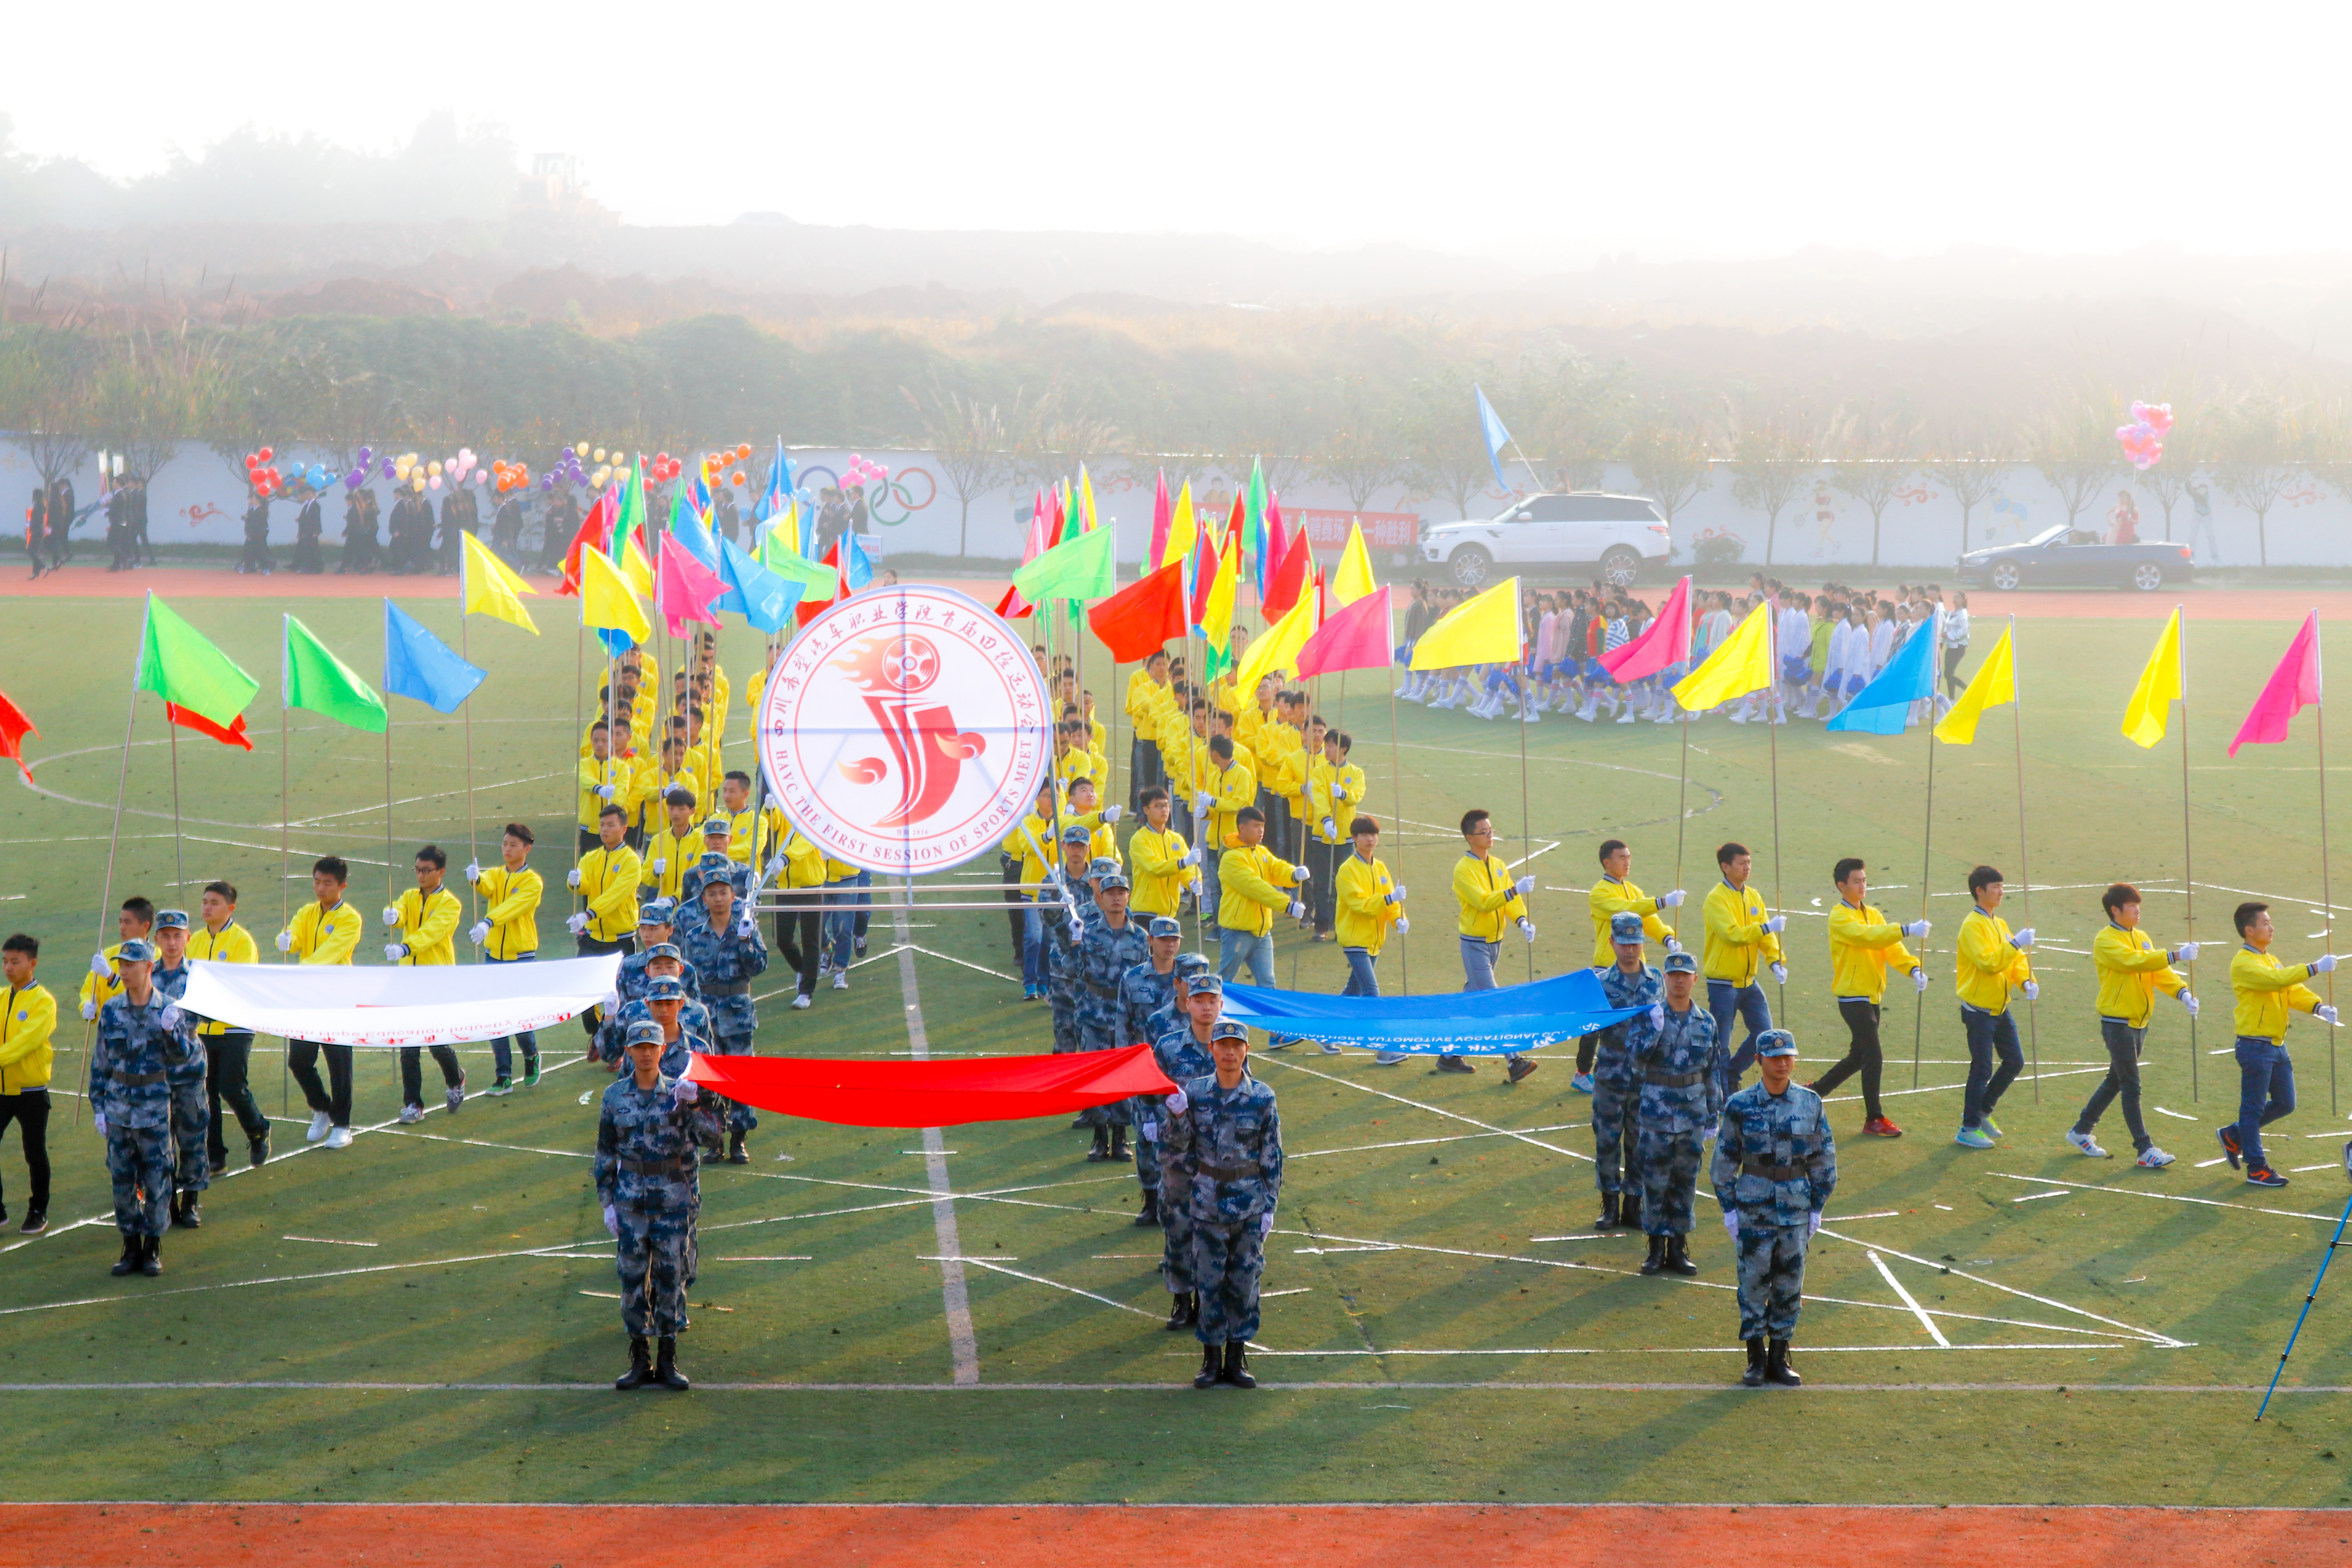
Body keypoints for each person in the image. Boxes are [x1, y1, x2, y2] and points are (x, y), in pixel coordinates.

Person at [595, 1018, 722, 1391]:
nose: (647, 1053)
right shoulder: (615, 1096)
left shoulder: (681, 1092)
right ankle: (639, 1356)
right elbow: (605, 1151)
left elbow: (713, 1138)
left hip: (672, 1200)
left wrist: (696, 1104)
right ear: (630, 1052)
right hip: (631, 1200)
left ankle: (668, 1355)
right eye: (640, 1047)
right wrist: (607, 1202)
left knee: (671, 1277)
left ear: (662, 1050)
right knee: (632, 1279)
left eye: (653, 1047)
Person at [1159, 1015, 1283, 1390]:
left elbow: (1273, 1154)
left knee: (1245, 1282)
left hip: (1248, 1203)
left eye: (1237, 1046)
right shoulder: (1195, 1093)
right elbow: (1177, 1147)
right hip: (1208, 1200)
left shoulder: (1262, 1096)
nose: (1230, 1052)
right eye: (1223, 1045)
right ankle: (1211, 1362)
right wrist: (1178, 1115)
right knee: (1210, 1282)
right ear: (1212, 1050)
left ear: (1246, 1052)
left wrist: (1270, 1206)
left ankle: (1237, 1357)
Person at [1712, 1028, 1837, 1388]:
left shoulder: (1810, 1103)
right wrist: (1729, 1208)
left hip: (1796, 1208)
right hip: (1754, 1206)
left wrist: (1817, 1206)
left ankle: (1780, 1357)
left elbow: (1823, 1158)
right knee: (1753, 1282)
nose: (1783, 1063)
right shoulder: (1739, 1105)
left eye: (1788, 1057)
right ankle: (1756, 1359)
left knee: (1789, 1284)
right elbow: (1725, 1160)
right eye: (1775, 1057)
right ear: (1759, 1061)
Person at [91, 938, 198, 1277]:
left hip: (153, 1108)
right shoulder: (111, 1010)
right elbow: (101, 1062)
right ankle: (130, 1246)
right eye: (121, 965)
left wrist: (173, 1031)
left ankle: (152, 1248)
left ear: (148, 967)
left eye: (131, 965)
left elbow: (183, 1056)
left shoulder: (167, 1008)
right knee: (122, 1182)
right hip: (119, 1108)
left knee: (156, 1181)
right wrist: (99, 1107)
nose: (123, 971)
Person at [2066, 883, 2192, 1167]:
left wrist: (2182, 993)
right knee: (2131, 1085)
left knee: (2116, 1081)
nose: (2138, 912)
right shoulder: (2106, 941)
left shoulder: (2142, 936)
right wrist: (2176, 955)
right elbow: (2133, 962)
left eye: (2139, 907)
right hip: (2118, 1023)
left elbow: (2156, 970)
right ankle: (2144, 1150)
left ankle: (2081, 1130)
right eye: (2133, 907)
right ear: (2115, 910)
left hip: (2138, 1023)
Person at [2222, 901, 2338, 1189]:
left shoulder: (2269, 958)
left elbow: (2290, 989)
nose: (2271, 928)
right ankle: (2257, 1169)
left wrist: (2317, 1007)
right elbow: (2276, 981)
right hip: (2254, 1047)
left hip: (2275, 1046)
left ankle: (2233, 1135)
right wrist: (2314, 968)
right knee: (2253, 1110)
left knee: (2286, 1104)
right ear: (2249, 930)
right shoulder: (2244, 963)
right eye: (2265, 923)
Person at [1813, 857, 1928, 1138]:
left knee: (1858, 1056)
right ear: (1842, 886)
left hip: (1872, 995)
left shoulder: (1874, 913)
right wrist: (1906, 928)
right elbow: (1868, 938)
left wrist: (1913, 968)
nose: (1863, 885)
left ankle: (1816, 1091)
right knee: (1873, 1055)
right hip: (1853, 997)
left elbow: (1890, 947)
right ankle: (1874, 1118)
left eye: (1864, 880)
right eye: (1857, 881)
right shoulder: (1839, 917)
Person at [1628, 949, 1724, 1277]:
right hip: (1657, 1112)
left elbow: (1713, 1070)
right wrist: (1652, 1033)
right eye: (1673, 975)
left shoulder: (1706, 1021)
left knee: (1685, 1182)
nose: (1679, 981)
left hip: (1692, 1115)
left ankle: (1678, 1249)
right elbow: (1635, 1062)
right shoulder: (1649, 1017)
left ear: (1695, 980)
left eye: (1686, 976)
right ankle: (1655, 1250)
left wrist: (1714, 1114)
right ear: (1665, 979)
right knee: (1655, 1182)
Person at [675, 872, 768, 1165]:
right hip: (707, 1017)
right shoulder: (694, 936)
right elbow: (688, 978)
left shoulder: (746, 929)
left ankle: (739, 1140)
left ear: (733, 897)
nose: (718, 899)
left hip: (738, 1013)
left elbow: (759, 966)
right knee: (710, 1081)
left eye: (723, 893)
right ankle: (714, 1140)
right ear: (704, 899)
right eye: (712, 894)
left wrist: (746, 942)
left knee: (741, 1078)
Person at [1145, 966, 1219, 1325]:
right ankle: (1181, 1298)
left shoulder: (1231, 1045)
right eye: (1199, 1001)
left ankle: (1206, 1299)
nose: (1206, 1008)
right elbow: (1151, 1090)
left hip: (1217, 1155)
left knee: (1212, 1230)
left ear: (1221, 1006)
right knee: (1177, 1225)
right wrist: (1155, 1118)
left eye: (1213, 1002)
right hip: (1177, 1153)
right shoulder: (1169, 1046)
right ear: (1187, 1004)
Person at [1583, 839, 1684, 1091]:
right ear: (1607, 863)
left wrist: (1667, 938)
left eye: (1629, 857)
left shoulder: (1633, 890)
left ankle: (1641, 1069)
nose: (1628, 862)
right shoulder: (1600, 893)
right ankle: (1583, 1072)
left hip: (1637, 970)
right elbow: (1627, 912)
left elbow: (1647, 919)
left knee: (1644, 1021)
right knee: (1596, 1025)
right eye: (1622, 858)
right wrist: (1661, 901)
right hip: (1607, 967)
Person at [1448, 809, 1538, 1081]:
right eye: (1484, 832)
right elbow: (1485, 902)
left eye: (1491, 831)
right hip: (1475, 943)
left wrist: (1522, 920)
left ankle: (1449, 1054)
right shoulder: (1463, 870)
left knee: (1470, 1000)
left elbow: (1510, 900)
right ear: (1469, 837)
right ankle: (1514, 1061)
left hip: (1495, 942)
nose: (1490, 836)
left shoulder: (1497, 864)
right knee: (1494, 1001)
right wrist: (1514, 890)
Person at [1949, 864, 2034, 1149]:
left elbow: (2015, 963)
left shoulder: (1999, 923)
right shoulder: (1973, 925)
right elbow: (1989, 962)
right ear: (1979, 891)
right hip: (1979, 1010)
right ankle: (1968, 1128)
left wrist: (2026, 981)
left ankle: (1982, 1112)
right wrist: (2015, 943)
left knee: (2015, 1061)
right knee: (1982, 1068)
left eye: (2002, 886)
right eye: (1995, 887)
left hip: (2000, 1007)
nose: (2001, 892)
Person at [279, 857, 363, 1147]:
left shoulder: (350, 919)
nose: (320, 888)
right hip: (307, 998)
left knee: (339, 1062)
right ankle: (322, 1107)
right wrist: (287, 940)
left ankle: (343, 1124)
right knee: (299, 1060)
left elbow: (332, 951)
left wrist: (301, 970)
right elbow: (298, 939)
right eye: (317, 881)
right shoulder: (306, 912)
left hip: (337, 997)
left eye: (327, 883)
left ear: (342, 886)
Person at [1589, 911, 1662, 1230]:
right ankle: (1609, 1205)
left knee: (1638, 1141)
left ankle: (1633, 1204)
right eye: (1624, 943)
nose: (1630, 949)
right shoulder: (1601, 984)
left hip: (1644, 1076)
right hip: (1611, 1073)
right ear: (1612, 943)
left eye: (1635, 942)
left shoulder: (1657, 979)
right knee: (1607, 1139)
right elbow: (1590, 1028)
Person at [384, 845, 468, 1122]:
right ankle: (413, 1104)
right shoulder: (409, 896)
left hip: (436, 981)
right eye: (417, 870)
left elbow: (432, 933)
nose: (420, 875)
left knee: (437, 1044)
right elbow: (401, 911)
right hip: (408, 981)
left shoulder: (450, 904)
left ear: (441, 872)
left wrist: (406, 947)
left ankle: (456, 1080)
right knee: (409, 1046)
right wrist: (394, 914)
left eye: (426, 870)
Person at [190, 882, 268, 1172]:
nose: (207, 907)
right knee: (206, 1092)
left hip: (236, 1025)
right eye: (205, 902)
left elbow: (237, 982)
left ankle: (258, 1130)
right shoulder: (194, 941)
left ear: (230, 908)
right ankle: (216, 1155)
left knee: (232, 1087)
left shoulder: (242, 941)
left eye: (214, 903)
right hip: (204, 1029)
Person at [1078, 869, 1151, 1162]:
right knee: (1096, 1077)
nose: (1117, 898)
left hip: (1126, 1018)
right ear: (1102, 898)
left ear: (1128, 897)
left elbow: (1145, 977)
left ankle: (1120, 1138)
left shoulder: (1141, 937)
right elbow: (1072, 969)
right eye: (1111, 893)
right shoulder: (1087, 932)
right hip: (1095, 1013)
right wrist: (1065, 941)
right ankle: (1099, 1138)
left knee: (1123, 1077)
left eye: (1121, 893)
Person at [1702, 842, 1784, 1095]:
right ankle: (1722, 1093)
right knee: (1722, 1044)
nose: (1748, 867)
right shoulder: (1716, 899)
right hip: (1723, 983)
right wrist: (1766, 928)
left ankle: (1732, 1073)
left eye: (1749, 862)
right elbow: (1732, 935)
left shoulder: (1753, 895)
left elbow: (1764, 935)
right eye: (1742, 863)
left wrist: (1776, 960)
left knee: (1764, 1034)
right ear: (1726, 867)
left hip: (1749, 982)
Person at [466, 823, 544, 1090]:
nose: (507, 850)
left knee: (520, 1017)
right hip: (494, 956)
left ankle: (532, 1056)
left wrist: (488, 921)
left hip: (520, 956)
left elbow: (512, 907)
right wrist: (476, 878)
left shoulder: (533, 882)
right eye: (504, 844)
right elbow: (488, 886)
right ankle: (503, 1075)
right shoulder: (499, 874)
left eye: (513, 845)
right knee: (496, 1018)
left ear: (527, 849)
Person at [1118, 915, 1185, 1224]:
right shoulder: (1133, 979)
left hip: (1181, 1072)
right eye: (1163, 939)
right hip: (1145, 1071)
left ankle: (1178, 1203)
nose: (1169, 945)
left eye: (1174, 940)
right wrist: (1124, 1067)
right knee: (1146, 1138)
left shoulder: (1189, 981)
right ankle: (1150, 1200)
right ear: (1151, 942)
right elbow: (1123, 1023)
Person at [146, 910, 210, 1227]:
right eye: (166, 936)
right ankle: (167, 1199)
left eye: (178, 936)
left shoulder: (198, 976)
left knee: (193, 1134)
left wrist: (178, 1021)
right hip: (158, 1068)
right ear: (157, 939)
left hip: (188, 1066)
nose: (172, 942)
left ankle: (191, 1201)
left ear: (188, 938)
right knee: (160, 1139)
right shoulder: (148, 975)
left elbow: (209, 1013)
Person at [1332, 815, 1406, 1063]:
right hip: (1355, 939)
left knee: (1353, 991)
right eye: (1364, 835)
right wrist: (1389, 899)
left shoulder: (1381, 867)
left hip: (1375, 940)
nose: (1370, 839)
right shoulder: (1347, 871)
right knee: (1371, 992)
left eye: (1374, 834)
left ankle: (1325, 1030)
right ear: (1354, 839)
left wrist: (1398, 919)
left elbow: (1390, 901)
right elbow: (1360, 905)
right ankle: (1384, 1049)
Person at [1216, 806, 1307, 994]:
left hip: (1262, 933)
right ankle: (1213, 1021)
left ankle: (1269, 1024)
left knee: (1268, 985)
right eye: (1256, 826)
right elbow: (1255, 888)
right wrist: (1287, 906)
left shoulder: (1261, 852)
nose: (1261, 831)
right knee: (1224, 984)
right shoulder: (1231, 859)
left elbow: (1276, 868)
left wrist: (1293, 874)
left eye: (1263, 826)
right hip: (1238, 933)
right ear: (1242, 828)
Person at [0, 933, 57, 1234]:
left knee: (34, 1151)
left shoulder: (43, 1002)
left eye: (15, 962)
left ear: (32, 964)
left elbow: (27, 1042)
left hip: (32, 1091)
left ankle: (38, 1210)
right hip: (1, 1089)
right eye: (5, 962)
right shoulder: (1, 998)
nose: (8, 968)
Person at [1301, 730, 1364, 938]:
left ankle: (1340, 924)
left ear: (1343, 749)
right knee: (1321, 882)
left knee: (1342, 882)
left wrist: (1344, 794)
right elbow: (1318, 799)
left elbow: (1357, 796)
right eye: (1327, 745)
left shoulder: (1356, 773)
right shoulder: (1319, 772)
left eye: (1331, 746)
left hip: (1346, 836)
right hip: (1322, 834)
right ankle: (1322, 925)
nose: (1327, 749)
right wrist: (1327, 820)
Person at [762, 815, 828, 1011]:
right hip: (784, 884)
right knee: (782, 938)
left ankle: (806, 992)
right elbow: (770, 825)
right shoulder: (785, 806)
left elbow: (810, 839)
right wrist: (769, 809)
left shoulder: (816, 811)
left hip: (810, 883)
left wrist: (785, 857)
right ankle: (802, 970)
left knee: (810, 939)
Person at [1126, 786, 1200, 927]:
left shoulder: (1176, 839)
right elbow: (1154, 868)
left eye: (1166, 805)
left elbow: (1188, 868)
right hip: (1146, 912)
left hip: (1170, 912)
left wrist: (1193, 881)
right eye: (1158, 806)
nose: (1164, 810)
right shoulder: (1140, 840)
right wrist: (1183, 863)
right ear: (1146, 810)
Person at [78, 896, 156, 1023]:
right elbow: (89, 989)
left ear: (145, 926)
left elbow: (146, 995)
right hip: (111, 1033)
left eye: (127, 922)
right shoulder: (108, 956)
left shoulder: (156, 957)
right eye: (121, 922)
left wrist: (112, 978)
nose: (122, 927)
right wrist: (87, 1005)